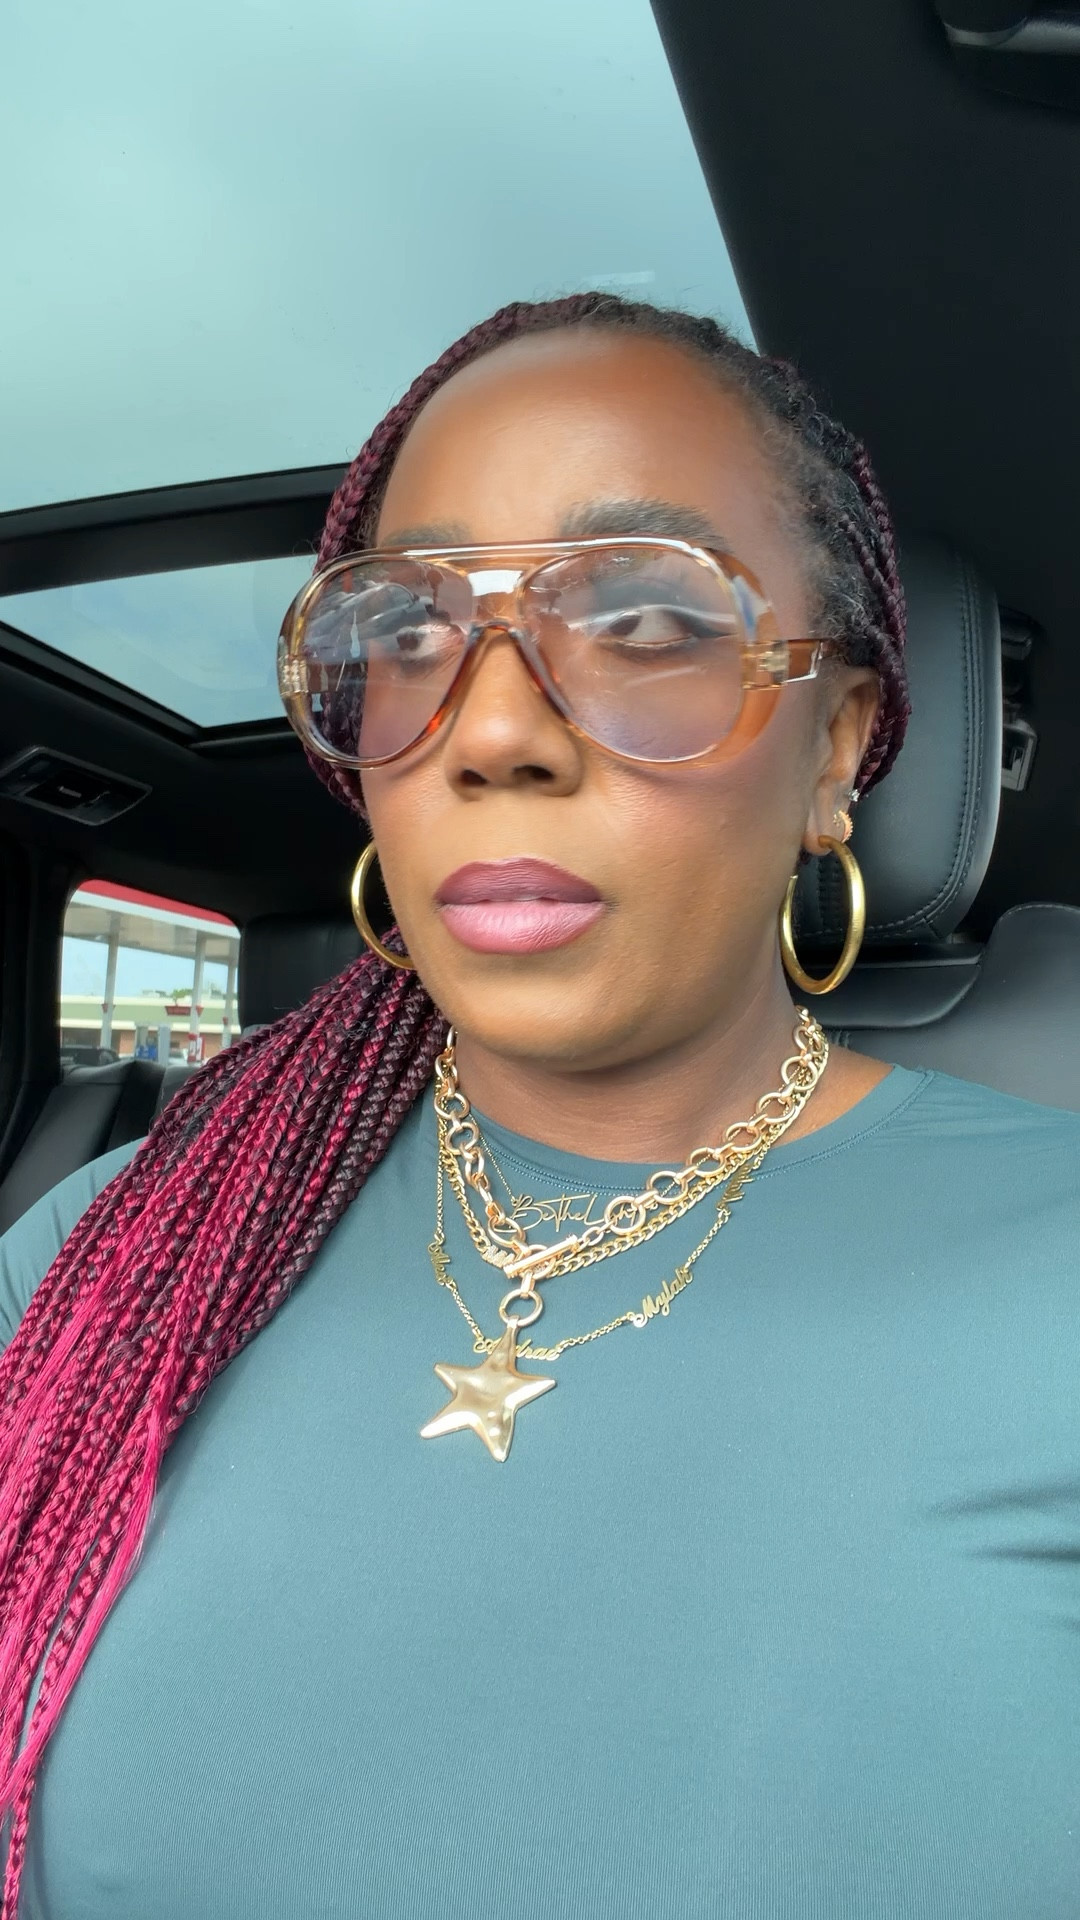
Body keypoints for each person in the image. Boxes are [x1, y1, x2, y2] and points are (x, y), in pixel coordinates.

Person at [0, 294, 1077, 1919]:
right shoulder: (110, 1252)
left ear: (838, 746)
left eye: (643, 623)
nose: (493, 730)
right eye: (406, 634)